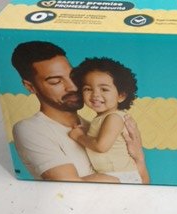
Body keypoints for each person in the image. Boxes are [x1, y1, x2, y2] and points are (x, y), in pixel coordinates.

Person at [10, 41, 149, 183]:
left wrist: (139, 158)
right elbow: (69, 185)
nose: (73, 87)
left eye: (73, 77)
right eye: (55, 81)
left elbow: (143, 184)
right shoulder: (31, 129)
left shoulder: (95, 128)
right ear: (30, 86)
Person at [68, 57, 143, 184]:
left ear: (121, 96)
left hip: (121, 176)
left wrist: (79, 136)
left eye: (104, 89)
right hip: (115, 175)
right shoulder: (103, 118)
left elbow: (101, 146)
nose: (95, 95)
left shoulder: (113, 117)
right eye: (88, 89)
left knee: (74, 183)